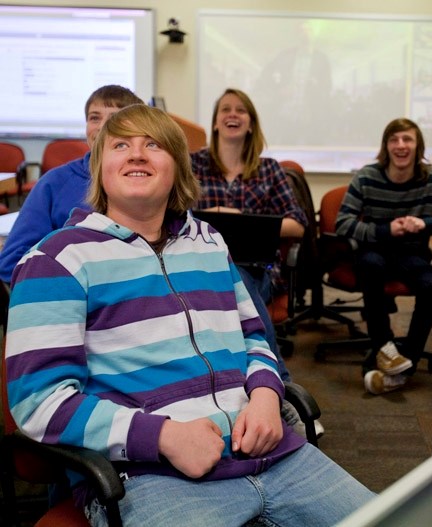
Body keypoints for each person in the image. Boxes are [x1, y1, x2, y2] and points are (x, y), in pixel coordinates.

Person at [4, 104, 373, 526]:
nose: (137, 154)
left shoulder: (209, 243)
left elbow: (254, 338)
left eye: (154, 145)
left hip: (271, 454)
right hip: (149, 476)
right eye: (121, 145)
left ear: (178, 169)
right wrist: (161, 436)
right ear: (99, 168)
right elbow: (40, 403)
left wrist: (269, 397)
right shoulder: (57, 260)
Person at [336, 117, 432, 395]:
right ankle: (384, 347)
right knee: (371, 266)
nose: (401, 146)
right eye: (394, 140)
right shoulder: (367, 176)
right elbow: (342, 223)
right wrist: (384, 230)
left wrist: (427, 224)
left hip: (412, 253)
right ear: (386, 147)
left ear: (417, 146)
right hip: (375, 250)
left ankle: (407, 360)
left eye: (407, 140)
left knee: (431, 285)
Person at [191, 89, 307, 365]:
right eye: (226, 109)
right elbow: (173, 213)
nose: (233, 114)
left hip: (257, 270)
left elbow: (298, 225)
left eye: (241, 110)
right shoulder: (192, 165)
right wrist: (214, 215)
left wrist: (242, 220)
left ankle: (276, 377)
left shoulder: (269, 169)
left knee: (238, 279)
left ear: (251, 123)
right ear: (216, 123)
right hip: (199, 264)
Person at [0, 85, 143, 283]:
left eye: (114, 118)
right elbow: (12, 263)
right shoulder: (54, 183)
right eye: (94, 118)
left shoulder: (149, 181)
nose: (102, 126)